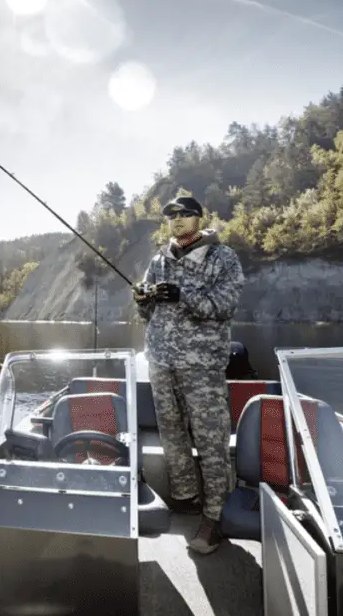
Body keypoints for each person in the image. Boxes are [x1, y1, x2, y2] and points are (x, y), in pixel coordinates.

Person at [133, 196, 245, 554]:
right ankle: (184, 498)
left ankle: (214, 518)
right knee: (171, 432)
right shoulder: (158, 260)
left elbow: (225, 305)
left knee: (211, 440)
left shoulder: (222, 257)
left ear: (199, 218)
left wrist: (184, 295)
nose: (177, 221)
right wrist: (143, 299)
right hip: (160, 360)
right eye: (171, 216)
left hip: (201, 363)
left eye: (184, 215)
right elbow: (150, 316)